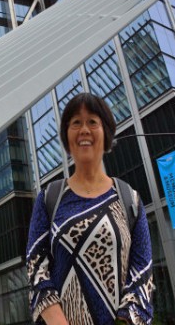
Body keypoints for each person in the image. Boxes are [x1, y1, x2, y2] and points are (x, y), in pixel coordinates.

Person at [26, 93, 153, 325]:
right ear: (67, 135)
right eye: (76, 123)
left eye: (92, 122)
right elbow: (36, 268)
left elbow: (142, 275)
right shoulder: (49, 199)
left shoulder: (130, 200)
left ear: (106, 133)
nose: (84, 130)